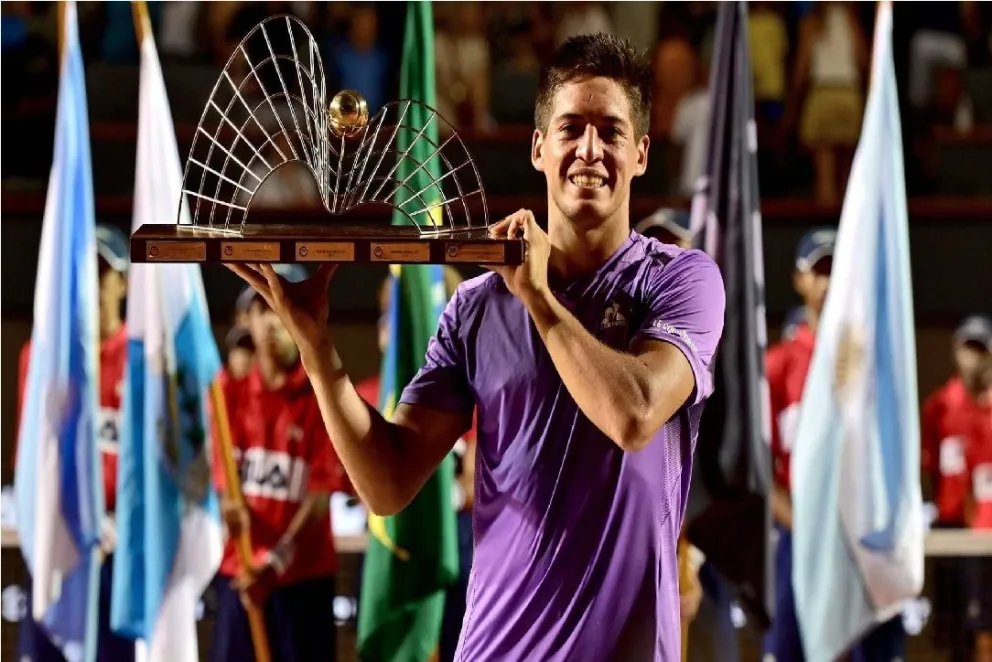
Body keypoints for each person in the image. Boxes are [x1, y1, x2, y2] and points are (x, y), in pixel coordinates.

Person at [229, 33, 726, 661]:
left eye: (612, 131)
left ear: (643, 153)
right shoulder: (477, 306)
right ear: (540, 148)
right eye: (571, 128)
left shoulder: (682, 280)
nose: (590, 149)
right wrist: (315, 345)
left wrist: (540, 300)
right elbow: (387, 483)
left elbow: (633, 415)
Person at [764, 228, 906, 662]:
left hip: (863, 533)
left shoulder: (873, 358)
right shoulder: (778, 365)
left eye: (833, 269)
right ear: (799, 280)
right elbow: (758, 464)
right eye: (817, 271)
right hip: (799, 534)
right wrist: (801, 524)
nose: (826, 282)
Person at [208, 264, 350, 662]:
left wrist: (274, 563)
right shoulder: (227, 391)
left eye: (279, 308)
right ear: (246, 321)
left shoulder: (325, 393)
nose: (271, 322)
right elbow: (222, 481)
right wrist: (226, 508)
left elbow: (321, 497)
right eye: (261, 309)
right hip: (241, 581)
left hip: (301, 585)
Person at [15, 223, 135, 662]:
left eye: (99, 271)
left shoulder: (144, 359)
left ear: (121, 282)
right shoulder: (43, 356)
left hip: (119, 552)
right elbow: (34, 458)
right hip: (58, 544)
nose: (87, 281)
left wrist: (119, 525)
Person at [924, 314, 992, 662]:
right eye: (967, 347)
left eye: (980, 349)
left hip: (984, 534)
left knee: (984, 634)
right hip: (950, 531)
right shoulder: (938, 407)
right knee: (952, 636)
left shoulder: (989, 410)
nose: (973, 357)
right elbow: (924, 463)